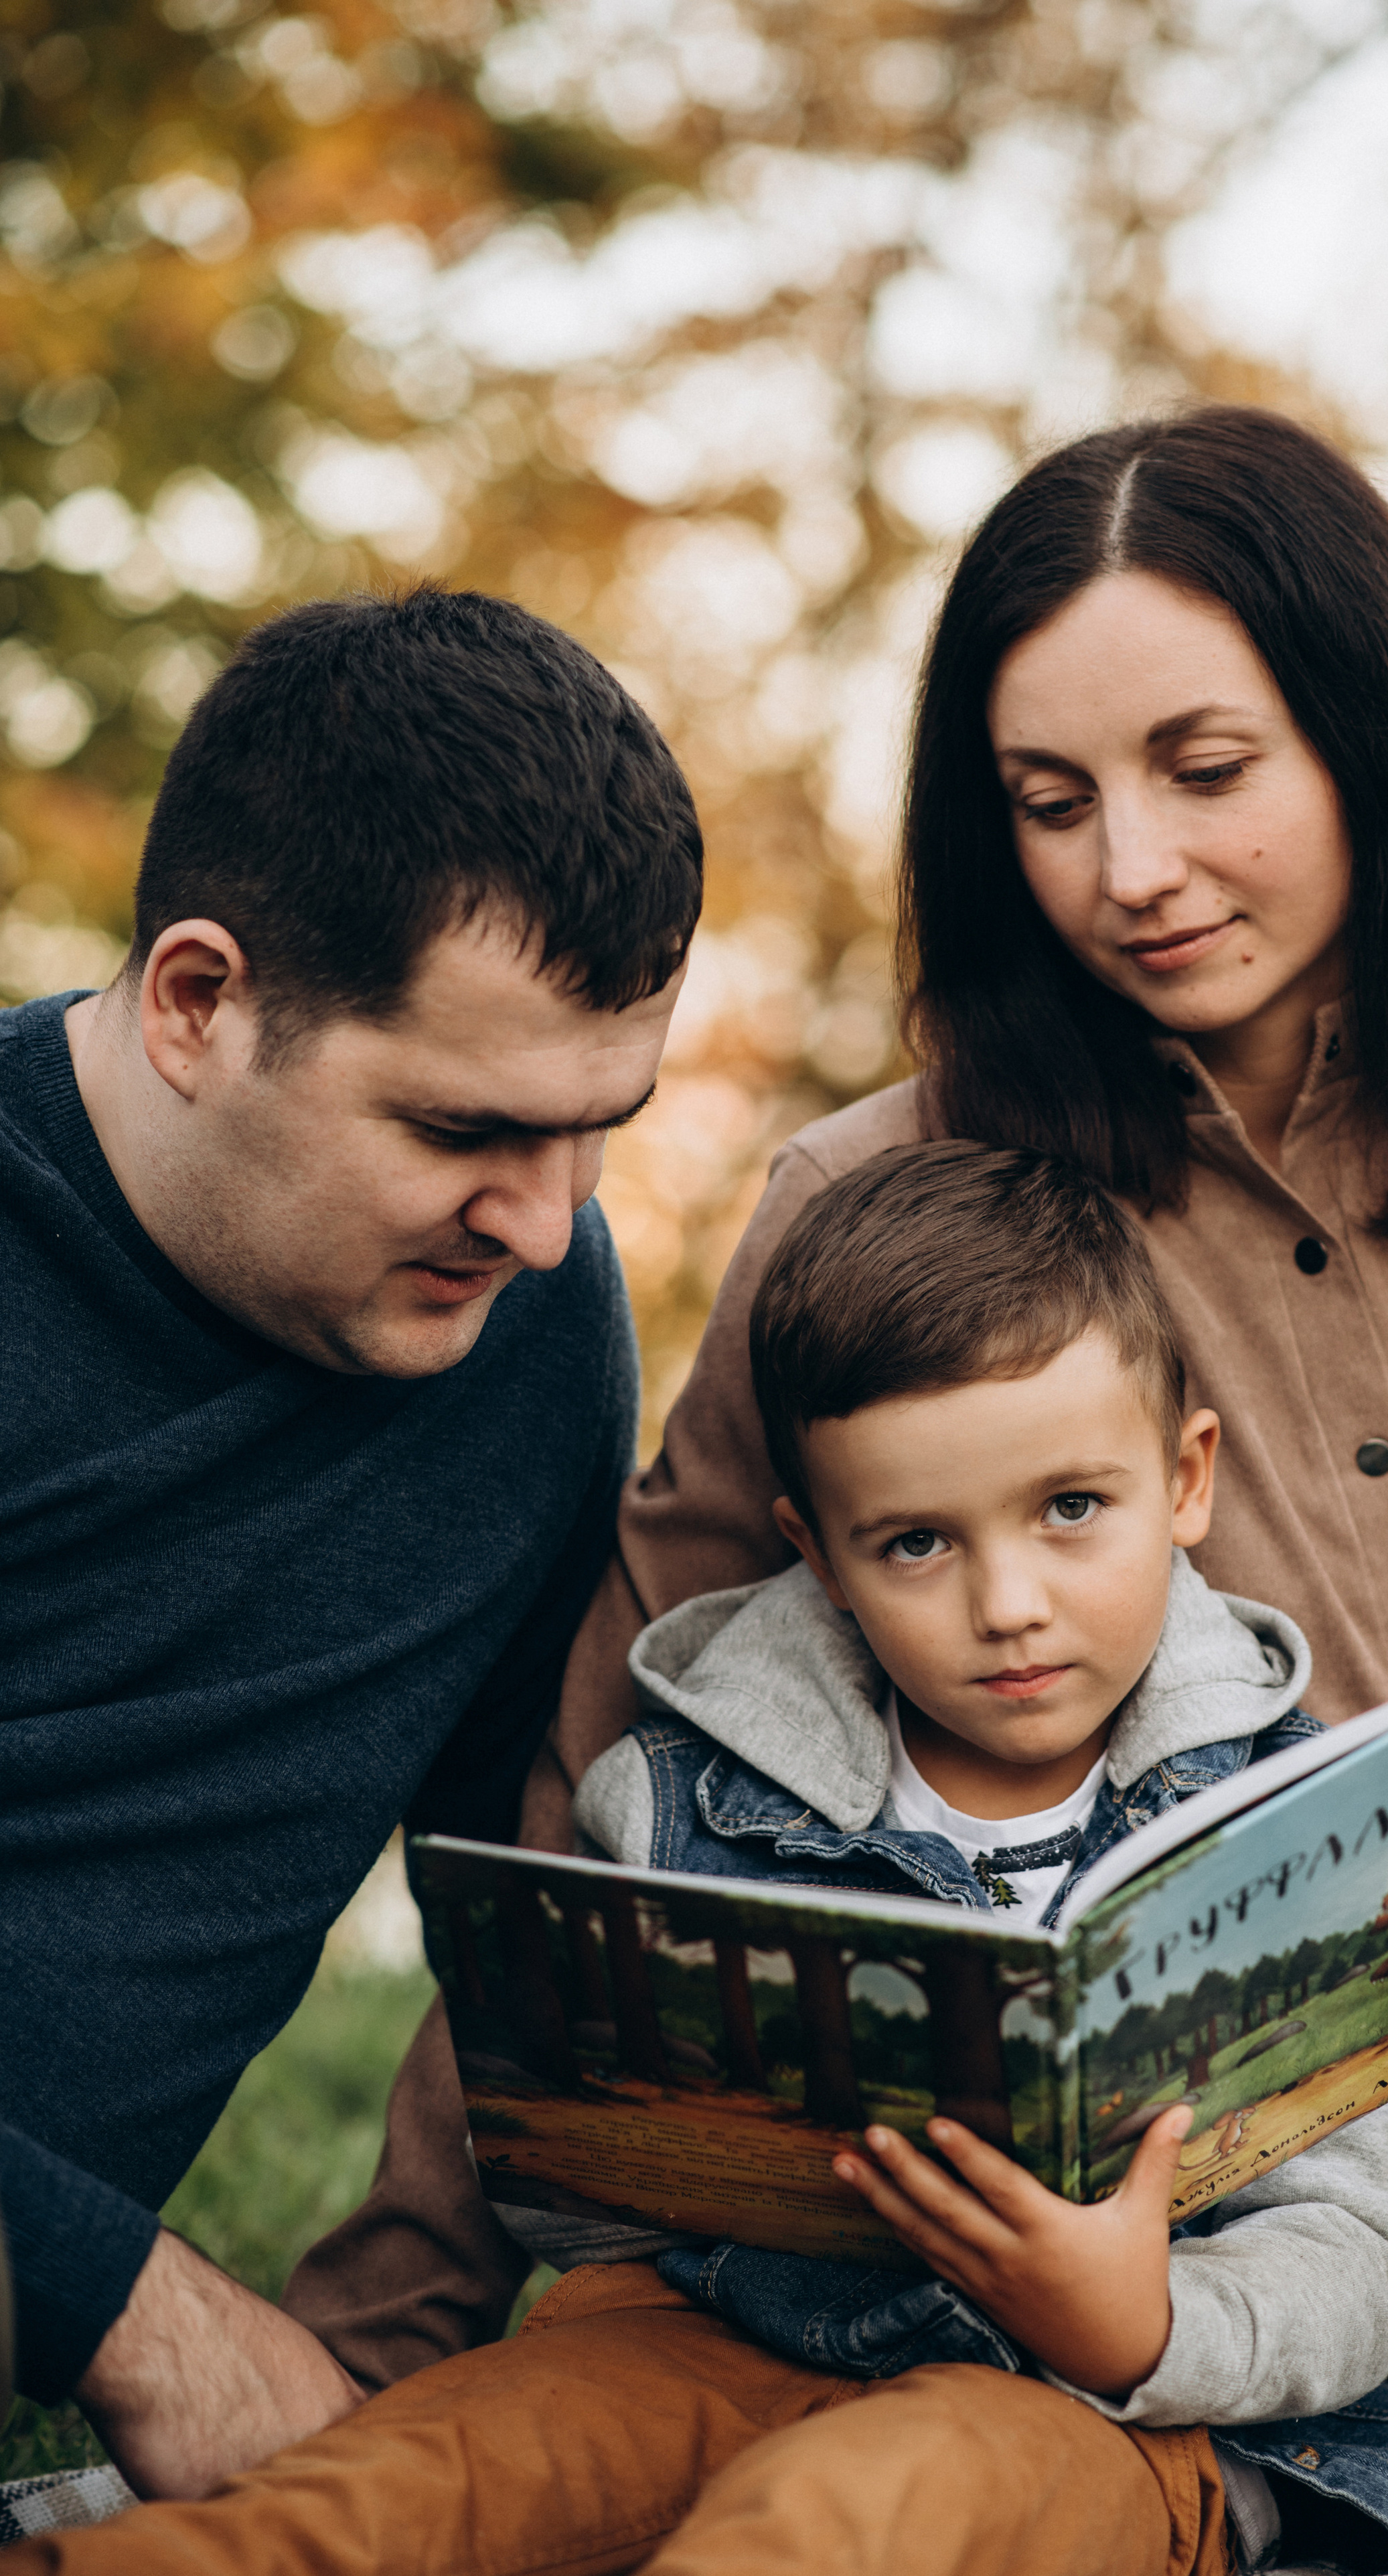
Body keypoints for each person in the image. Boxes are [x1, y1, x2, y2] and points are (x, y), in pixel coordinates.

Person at [293, 406, 1388, 2500]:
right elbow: (605, 1830)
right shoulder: (881, 1210)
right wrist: (379, 2334)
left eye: (1205, 773)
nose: (1130, 871)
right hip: (1247, 2237)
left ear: (1375, 745)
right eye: (1050, 802)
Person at [0, 1140, 1388, 2576]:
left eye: (1071, 1508)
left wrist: (1140, 2326)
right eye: (914, 1544)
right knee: (404, 2482)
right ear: (814, 1554)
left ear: (1184, 1478)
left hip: (1110, 2414)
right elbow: (561, 2189)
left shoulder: (1305, 1817)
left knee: (859, 2512)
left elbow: (1363, 2251)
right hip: (714, 2332)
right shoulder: (682, 1801)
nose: (1008, 1603)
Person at [0, 584, 700, 2496]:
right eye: (465, 1125)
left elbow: (516, 1911)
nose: (546, 1224)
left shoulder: (529, 1332)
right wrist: (123, 2306)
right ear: (199, 1004)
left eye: (596, 1134)